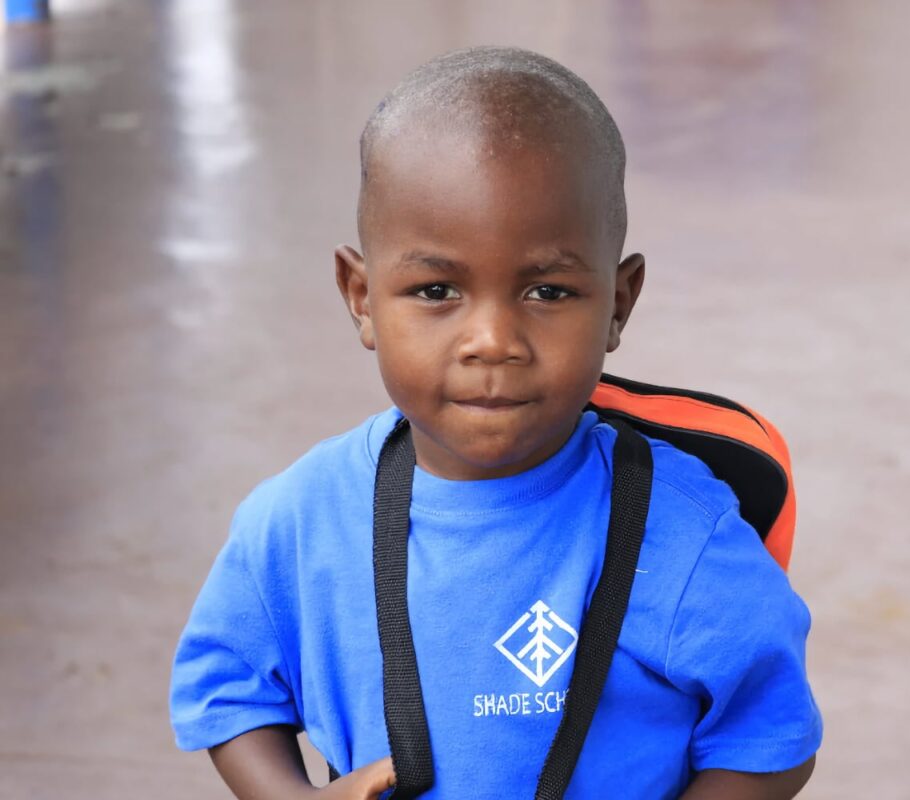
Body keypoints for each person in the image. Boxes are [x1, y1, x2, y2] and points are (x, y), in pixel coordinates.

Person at [168, 46, 822, 799]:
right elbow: (228, 688)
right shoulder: (297, 523)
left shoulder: (681, 536)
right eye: (437, 288)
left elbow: (770, 737)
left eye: (546, 292)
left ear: (618, 302)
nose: (493, 341)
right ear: (361, 296)